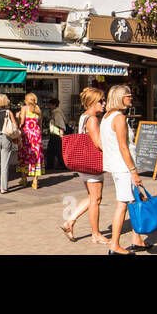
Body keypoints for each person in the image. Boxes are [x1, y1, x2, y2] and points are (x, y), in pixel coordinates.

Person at [99, 85, 147, 255]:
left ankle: (137, 239)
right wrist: (133, 170)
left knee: (130, 202)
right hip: (123, 167)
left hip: (116, 166)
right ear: (120, 97)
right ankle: (115, 245)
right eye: (129, 96)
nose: (131, 98)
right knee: (123, 204)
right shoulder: (119, 118)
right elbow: (123, 147)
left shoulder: (106, 117)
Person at [60, 87, 107, 244]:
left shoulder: (84, 117)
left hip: (83, 163)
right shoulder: (92, 119)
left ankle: (69, 222)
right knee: (96, 199)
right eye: (101, 101)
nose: (104, 103)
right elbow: (98, 143)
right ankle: (96, 234)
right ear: (92, 102)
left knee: (92, 197)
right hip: (91, 163)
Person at [16, 93, 45, 188]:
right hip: (36, 135)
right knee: (36, 156)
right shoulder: (39, 110)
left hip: (27, 136)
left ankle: (24, 179)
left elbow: (22, 123)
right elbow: (40, 125)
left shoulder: (24, 108)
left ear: (26, 100)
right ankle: (35, 181)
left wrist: (17, 117)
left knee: (25, 155)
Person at [47, 98, 68, 171]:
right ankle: (50, 165)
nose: (49, 106)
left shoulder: (57, 113)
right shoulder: (55, 112)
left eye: (50, 105)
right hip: (54, 133)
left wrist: (61, 133)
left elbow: (61, 124)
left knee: (57, 150)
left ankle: (61, 165)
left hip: (56, 134)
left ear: (54, 105)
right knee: (52, 150)